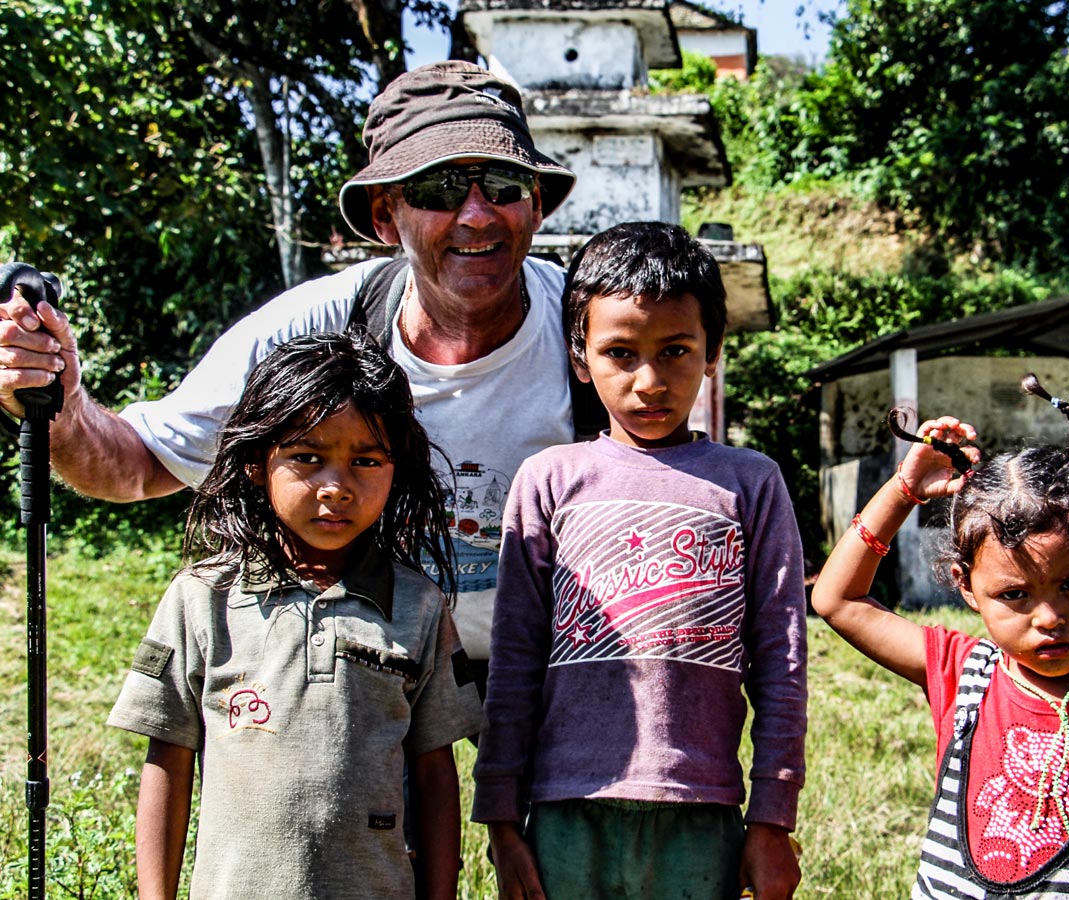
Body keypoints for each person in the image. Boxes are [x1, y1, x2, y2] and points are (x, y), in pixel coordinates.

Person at [0, 60, 579, 683]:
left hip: (550, 665)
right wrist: (60, 403)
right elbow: (135, 464)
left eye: (502, 184)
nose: (477, 215)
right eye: (439, 189)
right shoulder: (322, 325)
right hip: (370, 664)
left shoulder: (593, 334)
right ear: (386, 216)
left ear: (536, 202)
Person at [471, 222, 807, 900]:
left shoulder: (751, 484)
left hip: (701, 812)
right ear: (579, 356)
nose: (649, 381)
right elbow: (514, 659)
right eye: (620, 353)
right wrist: (503, 822)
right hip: (566, 810)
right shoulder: (548, 480)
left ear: (711, 351)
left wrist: (772, 816)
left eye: (676, 351)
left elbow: (782, 659)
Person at [107, 327, 483, 900]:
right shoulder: (203, 599)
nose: (336, 487)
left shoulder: (418, 607)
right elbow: (169, 757)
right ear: (259, 463)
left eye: (366, 460)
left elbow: (435, 774)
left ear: (395, 470)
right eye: (307, 458)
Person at [809, 375, 1069, 899]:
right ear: (967, 589)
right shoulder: (960, 670)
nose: (1048, 617)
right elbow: (837, 600)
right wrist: (903, 490)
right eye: (1015, 595)